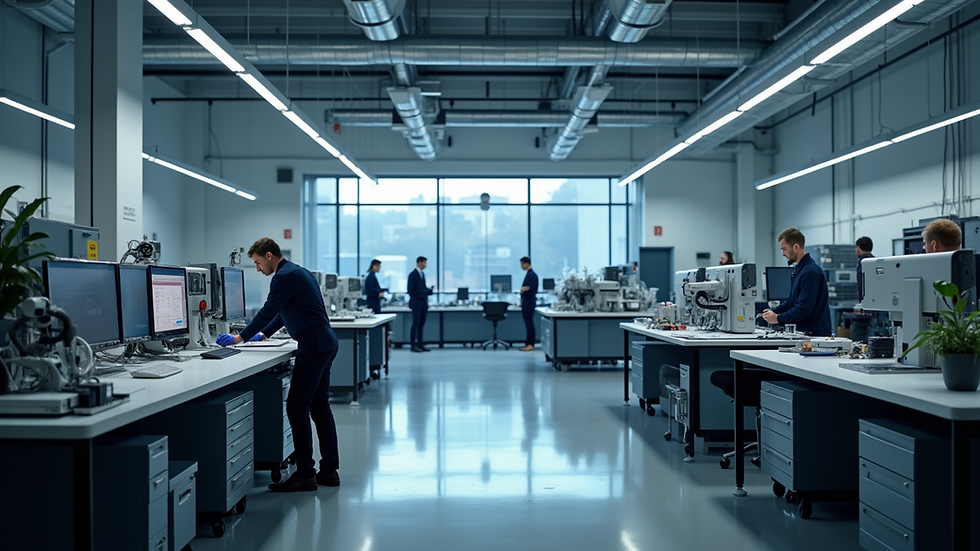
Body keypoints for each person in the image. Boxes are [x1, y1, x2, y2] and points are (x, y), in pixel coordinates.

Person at [216, 238, 341, 492]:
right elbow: (281, 311)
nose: (258, 268)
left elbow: (266, 311)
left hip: (314, 343)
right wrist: (264, 335)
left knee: (297, 407)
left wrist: (240, 338)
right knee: (318, 407)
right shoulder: (296, 271)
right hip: (324, 341)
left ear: (270, 256)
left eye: (258, 262)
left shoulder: (282, 277)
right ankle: (329, 471)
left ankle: (306, 474)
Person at [762, 227, 832, 336]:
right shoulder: (800, 271)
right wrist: (773, 312)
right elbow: (791, 302)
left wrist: (777, 318)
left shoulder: (809, 272)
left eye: (784, 249)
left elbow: (804, 309)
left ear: (795, 247)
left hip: (813, 337)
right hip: (804, 334)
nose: (783, 254)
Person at [407, 256, 433, 353]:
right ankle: (413, 345)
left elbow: (422, 288)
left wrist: (427, 291)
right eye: (424, 263)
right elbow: (411, 290)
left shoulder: (422, 274)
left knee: (421, 325)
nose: (425, 265)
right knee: (415, 324)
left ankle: (420, 344)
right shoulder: (413, 275)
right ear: (419, 263)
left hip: (423, 303)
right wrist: (423, 292)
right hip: (416, 303)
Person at [518, 257, 539, 352]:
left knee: (529, 323)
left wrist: (523, 289)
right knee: (528, 323)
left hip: (529, 302)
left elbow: (532, 288)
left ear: (526, 263)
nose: (521, 266)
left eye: (522, 264)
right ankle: (528, 343)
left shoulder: (532, 275)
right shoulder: (529, 274)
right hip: (526, 302)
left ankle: (531, 344)